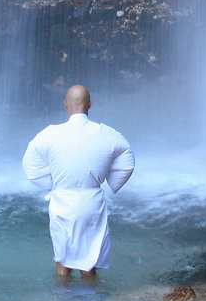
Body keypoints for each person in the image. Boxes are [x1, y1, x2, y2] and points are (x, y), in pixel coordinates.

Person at [22, 85, 135, 282]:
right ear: (90, 105)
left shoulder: (49, 134)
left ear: (65, 104)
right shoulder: (106, 133)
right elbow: (127, 159)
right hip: (92, 200)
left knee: (63, 261)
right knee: (89, 262)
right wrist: (112, 182)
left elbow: (30, 165)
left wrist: (50, 183)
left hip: (62, 200)